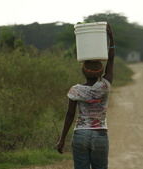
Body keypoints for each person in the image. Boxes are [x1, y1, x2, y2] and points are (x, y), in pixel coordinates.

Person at [56, 23, 115, 169]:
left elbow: (70, 115)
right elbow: (111, 60)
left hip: (80, 135)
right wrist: (111, 38)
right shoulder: (105, 86)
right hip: (100, 135)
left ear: (83, 71)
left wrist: (62, 139)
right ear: (101, 72)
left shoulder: (75, 90)